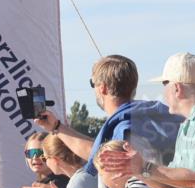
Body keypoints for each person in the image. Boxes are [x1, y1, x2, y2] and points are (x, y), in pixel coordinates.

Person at [34, 54, 182, 180]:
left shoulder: (124, 127)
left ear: (102, 87)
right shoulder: (163, 113)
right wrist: (56, 127)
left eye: (92, 83)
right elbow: (97, 152)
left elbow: (103, 158)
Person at [97, 52, 195, 188]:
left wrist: (145, 168)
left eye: (164, 84)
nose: (163, 93)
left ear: (177, 88)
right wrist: (139, 171)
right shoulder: (186, 126)